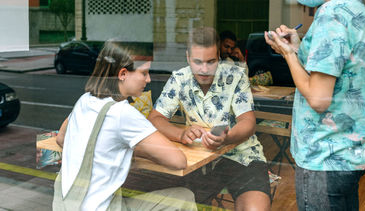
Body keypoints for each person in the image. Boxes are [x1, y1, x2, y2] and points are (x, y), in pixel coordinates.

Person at [264, 0, 365, 210]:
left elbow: (319, 98)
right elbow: (343, 74)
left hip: (324, 159)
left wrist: (288, 55)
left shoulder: (331, 14)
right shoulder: (362, 7)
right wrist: (299, 47)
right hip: (349, 152)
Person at [53, 41, 196, 211]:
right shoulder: (122, 113)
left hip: (68, 206)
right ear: (122, 74)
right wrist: (131, 148)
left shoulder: (84, 100)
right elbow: (177, 161)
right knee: (184, 197)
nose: (148, 79)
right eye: (144, 73)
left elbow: (62, 138)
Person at [148, 27, 271, 210]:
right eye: (197, 62)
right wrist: (180, 134)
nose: (204, 69)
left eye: (211, 61)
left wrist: (227, 138)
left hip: (242, 155)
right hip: (197, 161)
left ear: (219, 56)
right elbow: (155, 118)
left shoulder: (235, 75)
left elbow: (248, 122)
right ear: (188, 57)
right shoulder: (179, 79)